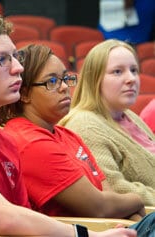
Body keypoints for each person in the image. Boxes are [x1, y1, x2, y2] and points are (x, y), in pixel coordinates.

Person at [0, 11, 138, 237]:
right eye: (1, 60)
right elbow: (6, 221)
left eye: (14, 57)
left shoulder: (5, 140)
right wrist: (90, 235)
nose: (18, 68)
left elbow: (23, 217)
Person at [59, 39, 155, 206]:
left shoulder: (129, 116)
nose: (131, 79)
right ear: (95, 79)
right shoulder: (85, 125)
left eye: (134, 70)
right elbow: (113, 189)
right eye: (118, 72)